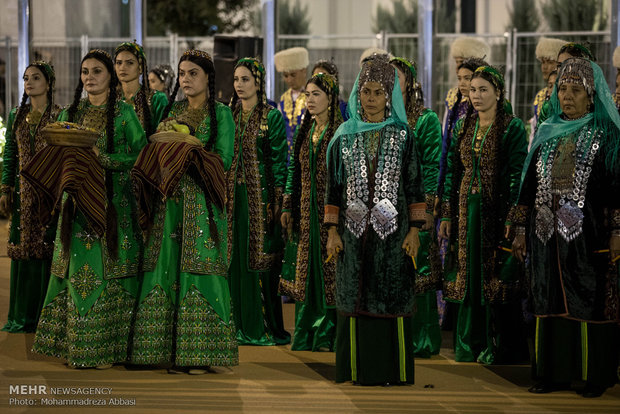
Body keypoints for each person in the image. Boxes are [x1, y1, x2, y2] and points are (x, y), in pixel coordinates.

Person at [30, 49, 146, 368]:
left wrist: (103, 160)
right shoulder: (71, 113)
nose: (89, 78)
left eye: (96, 71)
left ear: (110, 76)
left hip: (113, 207)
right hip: (77, 208)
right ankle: (79, 347)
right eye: (84, 72)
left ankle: (108, 349)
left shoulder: (124, 113)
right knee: (79, 272)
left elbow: (140, 156)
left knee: (108, 271)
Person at [512, 57, 620, 398]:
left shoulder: (607, 135)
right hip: (545, 238)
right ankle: (551, 374)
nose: (567, 96)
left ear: (592, 96)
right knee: (547, 301)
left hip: (590, 240)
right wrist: (518, 230)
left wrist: (618, 232)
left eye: (576, 90)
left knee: (587, 301)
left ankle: (594, 377)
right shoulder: (546, 133)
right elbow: (527, 188)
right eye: (562, 89)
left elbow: (617, 190)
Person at [130, 49, 238, 374]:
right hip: (170, 206)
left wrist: (190, 150)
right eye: (183, 73)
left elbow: (225, 160)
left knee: (198, 272)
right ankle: (159, 350)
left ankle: (199, 354)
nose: (186, 79)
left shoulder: (221, 115)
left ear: (208, 78)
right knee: (163, 267)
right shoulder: (171, 111)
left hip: (202, 208)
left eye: (193, 73)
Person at [325, 54, 425, 385]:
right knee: (352, 296)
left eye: (378, 93)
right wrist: (332, 232)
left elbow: (414, 185)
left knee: (391, 296)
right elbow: (333, 189)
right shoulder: (343, 135)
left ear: (389, 96)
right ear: (357, 92)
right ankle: (355, 371)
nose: (370, 99)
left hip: (393, 237)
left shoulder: (403, 135)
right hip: (351, 237)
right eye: (365, 91)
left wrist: (414, 230)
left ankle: (391, 373)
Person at [438, 66, 528, 364]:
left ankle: (497, 345)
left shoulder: (512, 127)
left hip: (495, 213)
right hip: (466, 213)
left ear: (498, 93)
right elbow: (453, 171)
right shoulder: (465, 124)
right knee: (468, 274)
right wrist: (448, 215)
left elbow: (517, 175)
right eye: (473, 90)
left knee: (494, 278)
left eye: (483, 90)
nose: (476, 95)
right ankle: (469, 343)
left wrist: (513, 219)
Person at [227, 57, 290, 346]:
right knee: (234, 260)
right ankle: (235, 324)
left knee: (261, 262)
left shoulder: (271, 116)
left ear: (258, 83)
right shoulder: (229, 114)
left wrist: (278, 203)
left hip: (261, 201)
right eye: (237, 80)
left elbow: (279, 161)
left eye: (246, 80)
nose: (240, 85)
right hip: (232, 200)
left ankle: (263, 327)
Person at [279, 73, 342, 351]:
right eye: (308, 94)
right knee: (307, 272)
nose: (310, 100)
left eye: (316, 94)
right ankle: (306, 332)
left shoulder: (339, 132)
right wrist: (288, 204)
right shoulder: (306, 130)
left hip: (330, 214)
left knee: (329, 270)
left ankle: (327, 332)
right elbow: (294, 169)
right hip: (306, 212)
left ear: (331, 99)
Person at [0, 61, 60, 333]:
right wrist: (4, 188)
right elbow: (10, 154)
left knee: (46, 248)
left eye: (36, 77)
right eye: (26, 78)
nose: (29, 82)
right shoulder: (17, 115)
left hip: (50, 194)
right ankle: (20, 317)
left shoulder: (59, 115)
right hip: (22, 194)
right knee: (22, 249)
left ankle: (43, 318)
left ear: (49, 83)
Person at [390, 56, 442, 358]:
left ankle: (421, 339)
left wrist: (425, 210)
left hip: (415, 206)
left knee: (418, 270)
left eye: (397, 78)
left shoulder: (425, 120)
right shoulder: (380, 120)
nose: (391, 84)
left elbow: (432, 167)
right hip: (385, 209)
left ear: (410, 83)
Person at [114, 42, 168, 135]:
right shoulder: (110, 98)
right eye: (119, 63)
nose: (122, 67)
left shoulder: (157, 99)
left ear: (140, 68)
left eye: (130, 63)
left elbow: (163, 137)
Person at [537, 42, 595, 128]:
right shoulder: (549, 107)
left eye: (569, 63)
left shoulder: (598, 108)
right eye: (560, 65)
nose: (563, 69)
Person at [275, 47, 309, 163]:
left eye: (293, 75)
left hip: (306, 156)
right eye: (285, 76)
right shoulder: (283, 99)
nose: (289, 80)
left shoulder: (312, 96)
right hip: (286, 158)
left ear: (304, 71)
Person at [532, 38, 566, 127]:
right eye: (542, 62)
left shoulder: (568, 96)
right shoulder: (540, 95)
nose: (544, 67)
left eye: (550, 62)